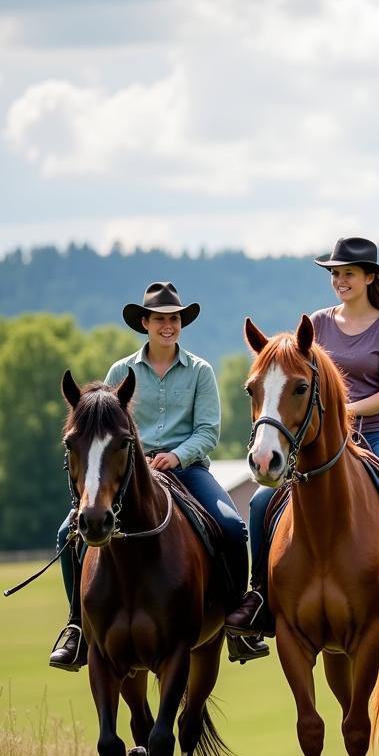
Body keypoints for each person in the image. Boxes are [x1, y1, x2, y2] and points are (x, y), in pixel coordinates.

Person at [225, 237, 379, 637]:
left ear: (367, 278)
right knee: (260, 502)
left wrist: (345, 413)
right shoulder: (319, 324)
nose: (340, 280)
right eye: (335, 274)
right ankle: (258, 594)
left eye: (348, 274)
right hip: (321, 441)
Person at [48, 281, 268, 671]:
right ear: (145, 323)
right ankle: (77, 626)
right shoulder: (121, 370)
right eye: (160, 319)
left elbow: (208, 431)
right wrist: (137, 460)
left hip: (188, 471)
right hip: (130, 475)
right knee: (68, 532)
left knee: (232, 525)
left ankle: (238, 625)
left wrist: (176, 456)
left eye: (175, 319)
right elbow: (103, 431)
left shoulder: (200, 371)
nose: (169, 326)